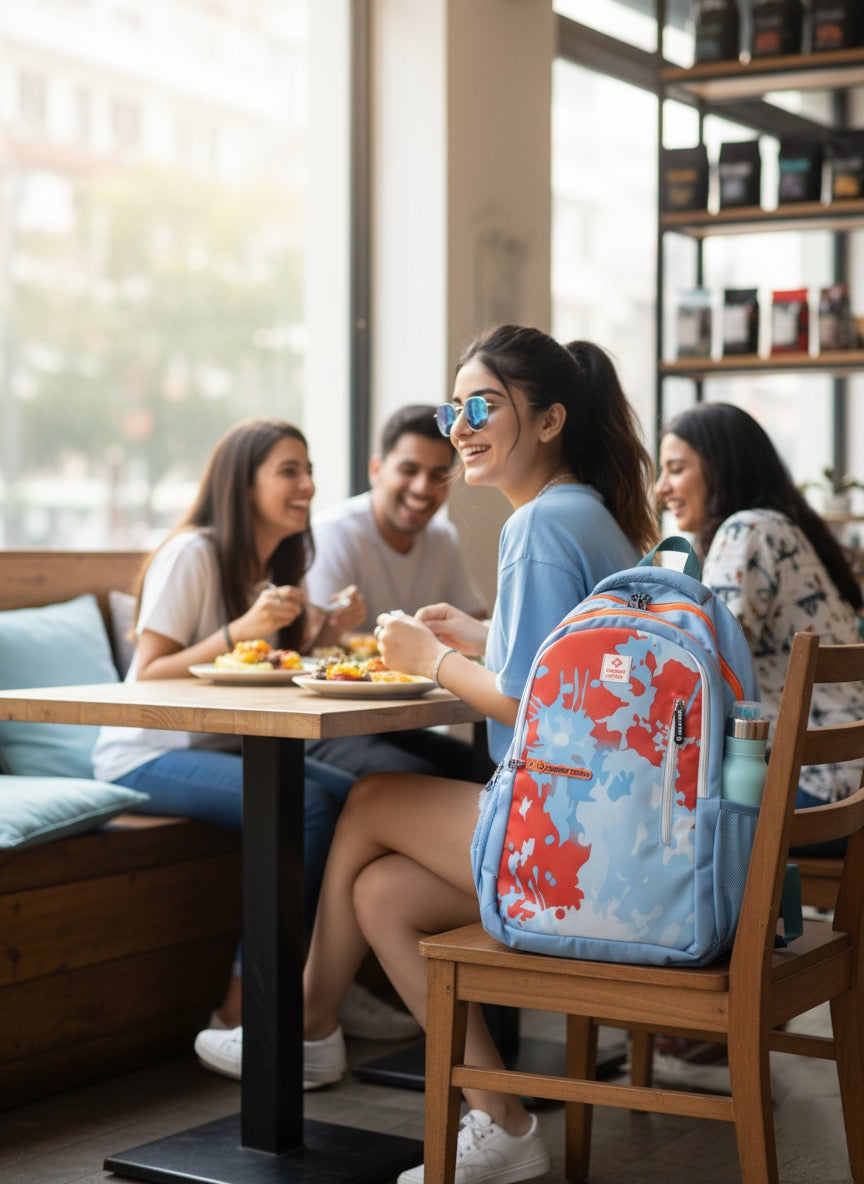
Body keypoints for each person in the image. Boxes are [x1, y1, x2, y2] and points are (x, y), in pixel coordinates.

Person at [290, 324, 658, 1184]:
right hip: (613, 833)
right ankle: (504, 1121)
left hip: (570, 845)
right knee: (381, 892)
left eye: (482, 404)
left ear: (550, 418)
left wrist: (434, 662)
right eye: (455, 406)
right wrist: (484, 636)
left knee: (373, 797)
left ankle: (308, 1021)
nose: (460, 425)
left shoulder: (536, 527)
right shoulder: (589, 516)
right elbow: (571, 675)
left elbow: (531, 705)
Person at [90, 418, 415, 1069]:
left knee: (355, 802)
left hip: (217, 749)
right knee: (311, 807)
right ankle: (245, 1006)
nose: (308, 485)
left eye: (308, 469)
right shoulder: (193, 554)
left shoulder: (271, 566)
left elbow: (260, 671)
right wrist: (241, 628)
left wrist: (322, 631)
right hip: (145, 755)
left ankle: (319, 983)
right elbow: (150, 671)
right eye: (289, 471)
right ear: (244, 484)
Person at [653, 400, 864, 1090]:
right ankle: (713, 1026)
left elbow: (697, 659)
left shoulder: (745, 529)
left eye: (677, 466)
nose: (662, 487)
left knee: (665, 811)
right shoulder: (789, 528)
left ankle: (708, 1030)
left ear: (723, 465)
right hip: (844, 786)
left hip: (811, 787)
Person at [304, 403, 491, 781]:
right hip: (328, 726)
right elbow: (320, 645)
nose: (422, 488)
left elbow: (477, 620)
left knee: (492, 770)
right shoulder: (335, 533)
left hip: (399, 724)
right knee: (426, 779)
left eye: (437, 474)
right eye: (409, 470)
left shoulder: (442, 538)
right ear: (377, 470)